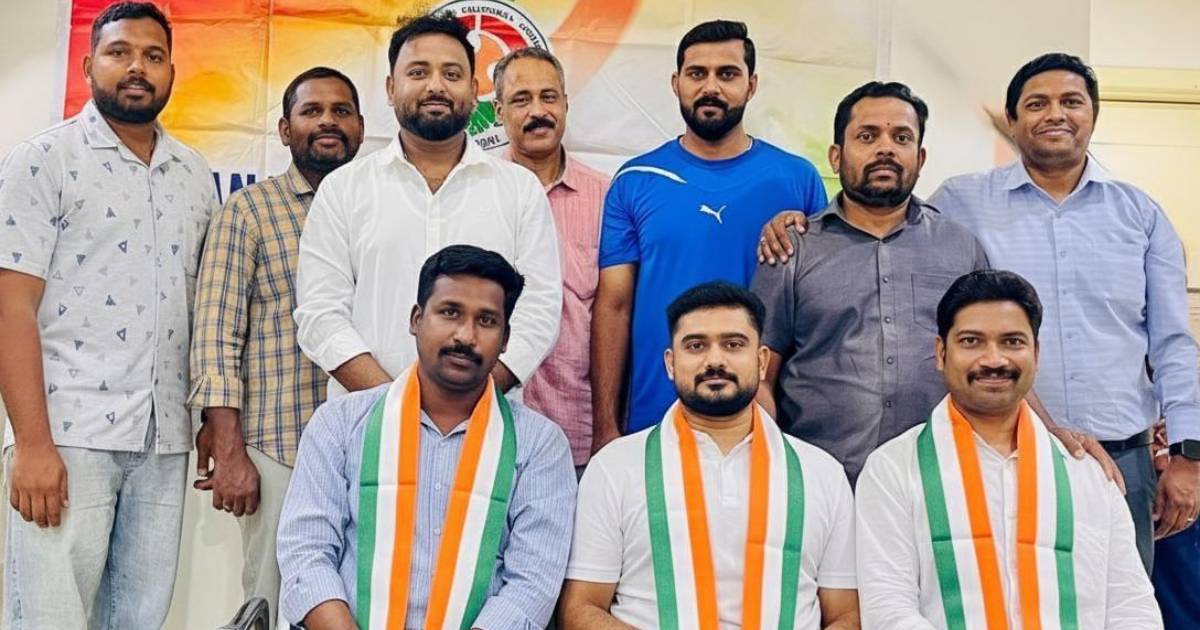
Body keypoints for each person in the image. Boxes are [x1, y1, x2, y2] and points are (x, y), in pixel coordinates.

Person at [928, 53, 1200, 571]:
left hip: (1123, 461)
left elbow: (1173, 344)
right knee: (1002, 599)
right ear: (1013, 121)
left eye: (1071, 102)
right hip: (998, 454)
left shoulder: (1141, 215)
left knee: (1121, 602)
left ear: (1093, 115)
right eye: (1037, 104)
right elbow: (885, 223)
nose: (1055, 114)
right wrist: (796, 221)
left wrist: (1190, 457)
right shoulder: (961, 202)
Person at [0, 3, 217, 626]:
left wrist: (206, 416)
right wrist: (32, 445)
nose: (137, 68)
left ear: (171, 71)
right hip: (69, 437)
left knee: (139, 619)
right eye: (119, 52)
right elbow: (11, 306)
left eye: (153, 56)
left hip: (164, 438)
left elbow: (201, 310)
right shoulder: (44, 159)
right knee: (49, 617)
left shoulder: (194, 174)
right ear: (89, 64)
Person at [277, 244, 576, 629]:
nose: (465, 335)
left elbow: (532, 585)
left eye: (486, 321)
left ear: (505, 339)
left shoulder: (540, 446)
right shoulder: (340, 424)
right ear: (416, 319)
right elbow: (306, 553)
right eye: (450, 312)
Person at [856, 270, 1162, 629]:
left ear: (1036, 352)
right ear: (941, 353)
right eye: (971, 341)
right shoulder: (893, 469)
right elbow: (888, 609)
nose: (994, 359)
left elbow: (1132, 606)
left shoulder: (1085, 472)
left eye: (1012, 342)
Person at [294, 11, 561, 400]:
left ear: (474, 89)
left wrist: (467, 401)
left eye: (451, 74)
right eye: (418, 72)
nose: (436, 85)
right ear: (391, 88)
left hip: (485, 420)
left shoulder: (519, 190)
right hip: (367, 419)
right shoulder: (344, 189)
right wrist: (396, 405)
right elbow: (320, 314)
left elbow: (539, 310)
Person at [561, 281, 858, 629]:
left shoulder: (820, 473)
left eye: (733, 344)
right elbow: (580, 609)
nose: (715, 360)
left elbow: (846, 614)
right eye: (696, 346)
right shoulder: (616, 467)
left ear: (762, 361)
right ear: (671, 363)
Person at [591, 20, 827, 449]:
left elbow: (816, 305)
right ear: (676, 83)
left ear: (751, 85)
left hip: (764, 426)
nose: (711, 87)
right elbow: (614, 305)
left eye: (728, 74)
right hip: (653, 422)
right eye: (697, 73)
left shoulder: (798, 179)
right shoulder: (635, 179)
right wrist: (605, 425)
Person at [187, 66, 364, 625]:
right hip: (280, 447)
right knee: (272, 600)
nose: (328, 122)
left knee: (357, 600)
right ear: (285, 130)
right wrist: (230, 451)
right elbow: (215, 334)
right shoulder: (248, 211)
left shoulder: (378, 208)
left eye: (341, 111)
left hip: (368, 448)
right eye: (312, 111)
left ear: (361, 127)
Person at [750, 81, 988, 484]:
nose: (885, 149)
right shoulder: (793, 248)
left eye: (902, 138)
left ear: (920, 157)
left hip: (938, 479)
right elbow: (759, 373)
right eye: (867, 136)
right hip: (819, 480)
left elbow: (989, 359)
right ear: (836, 156)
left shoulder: (960, 249)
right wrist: (770, 468)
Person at [493, 47, 609, 473]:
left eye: (548, 97)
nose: (538, 111)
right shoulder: (477, 192)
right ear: (499, 111)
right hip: (490, 427)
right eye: (521, 99)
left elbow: (616, 314)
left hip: (579, 429)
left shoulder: (606, 198)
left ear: (565, 104)